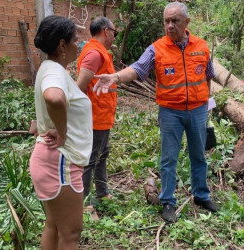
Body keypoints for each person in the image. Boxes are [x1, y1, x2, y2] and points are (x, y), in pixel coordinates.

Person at [93, 2, 218, 223]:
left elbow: (208, 75)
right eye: (166, 21)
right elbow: (138, 68)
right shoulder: (157, 48)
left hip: (198, 111)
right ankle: (168, 200)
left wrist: (206, 106)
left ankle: (201, 195)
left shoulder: (202, 46)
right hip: (171, 112)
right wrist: (115, 77)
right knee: (169, 158)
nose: (169, 26)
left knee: (199, 156)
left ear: (187, 22)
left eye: (175, 21)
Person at [30, 15, 93, 249]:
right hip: (61, 162)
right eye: (77, 40)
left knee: (54, 226)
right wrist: (63, 132)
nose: (80, 45)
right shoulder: (55, 71)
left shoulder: (50, 69)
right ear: (62, 45)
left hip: (53, 159)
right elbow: (54, 99)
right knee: (70, 233)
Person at [76, 17, 119, 201]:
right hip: (94, 116)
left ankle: (102, 193)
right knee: (91, 158)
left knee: (102, 154)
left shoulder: (100, 52)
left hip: (101, 115)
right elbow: (80, 86)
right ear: (105, 31)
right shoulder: (94, 53)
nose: (114, 37)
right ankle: (83, 201)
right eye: (114, 33)